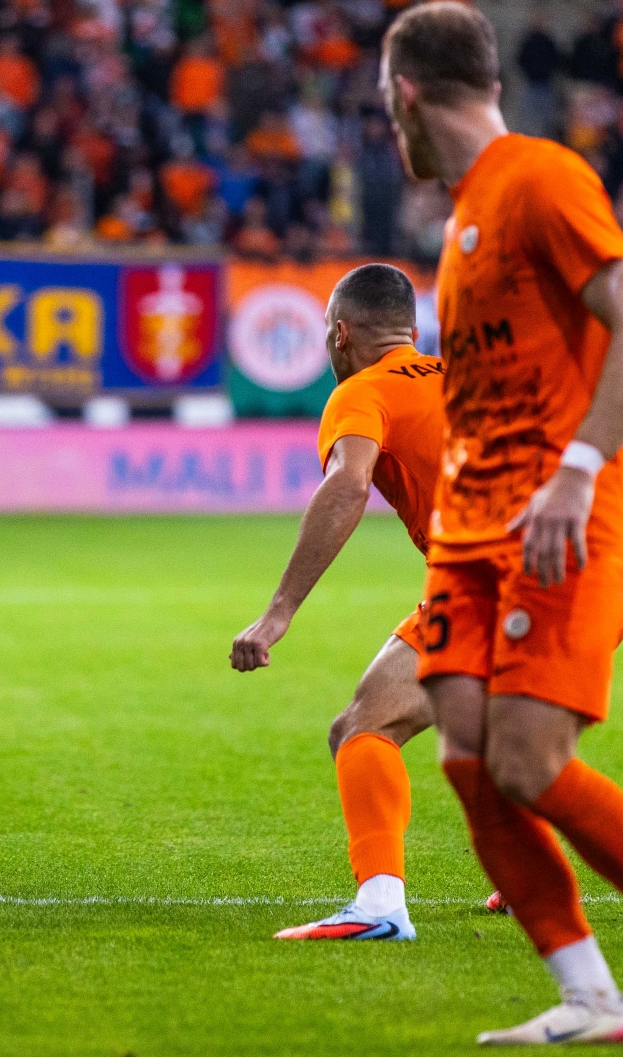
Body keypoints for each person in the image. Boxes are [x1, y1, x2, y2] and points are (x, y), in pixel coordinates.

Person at [378, 2, 623, 1047]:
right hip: (471, 528)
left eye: (386, 107)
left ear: (405, 93)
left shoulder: (540, 178)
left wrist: (580, 469)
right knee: (464, 752)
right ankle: (590, 994)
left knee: (528, 759)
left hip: (553, 519)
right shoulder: (463, 219)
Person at [230, 263, 446, 941]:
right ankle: (532, 879)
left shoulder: (363, 390)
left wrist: (279, 612)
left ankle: (379, 906)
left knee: (362, 729)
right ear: (412, 331)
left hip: (494, 582)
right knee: (501, 735)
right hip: (591, 578)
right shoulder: (473, 377)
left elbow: (349, 485)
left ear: (340, 334)